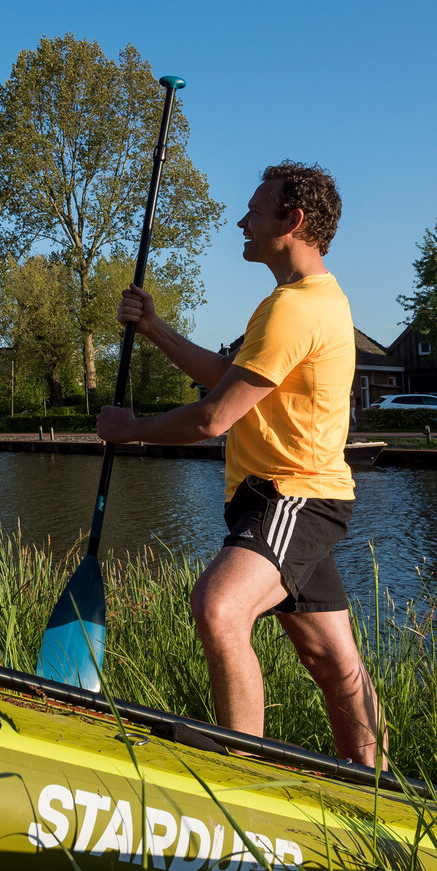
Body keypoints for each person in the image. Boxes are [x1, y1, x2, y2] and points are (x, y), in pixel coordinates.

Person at [96, 160, 383, 768]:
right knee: (334, 663)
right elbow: (228, 381)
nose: (241, 221)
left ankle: (239, 776)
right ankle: (378, 785)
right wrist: (154, 328)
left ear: (293, 220)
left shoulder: (295, 309)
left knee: (219, 607)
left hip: (292, 497)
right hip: (288, 498)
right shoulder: (296, 302)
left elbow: (211, 418)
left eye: (255, 210)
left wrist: (131, 432)